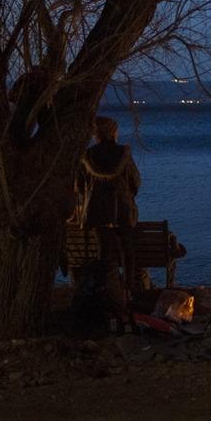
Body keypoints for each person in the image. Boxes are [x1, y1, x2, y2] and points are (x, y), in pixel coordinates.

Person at [80, 117, 142, 294]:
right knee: (127, 250)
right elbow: (135, 181)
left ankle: (107, 287)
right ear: (113, 132)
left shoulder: (89, 155)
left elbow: (80, 184)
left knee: (104, 252)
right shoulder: (123, 153)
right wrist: (129, 195)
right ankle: (129, 288)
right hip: (122, 209)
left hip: (97, 210)